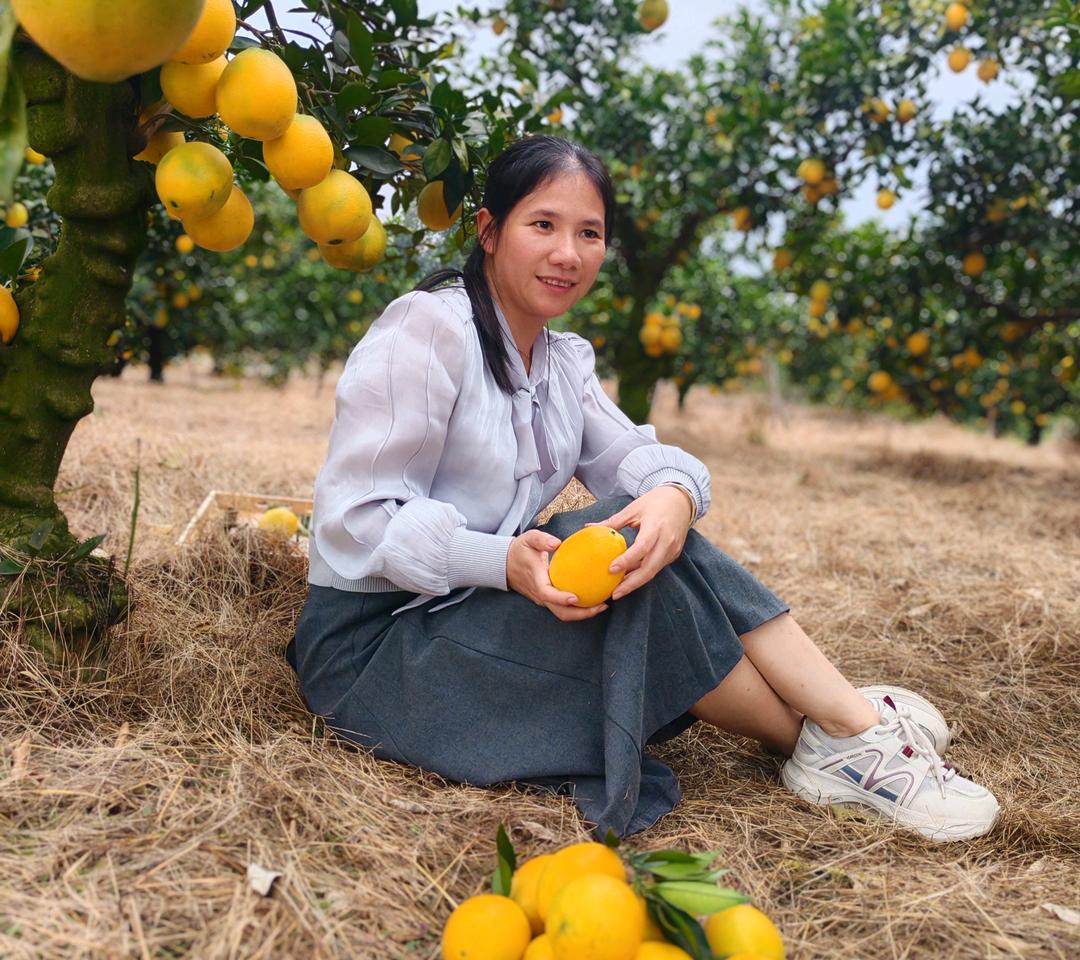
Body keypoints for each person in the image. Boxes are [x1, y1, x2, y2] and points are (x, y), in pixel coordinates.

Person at [285, 134, 1000, 843]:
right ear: (489, 231)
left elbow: (637, 455)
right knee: (625, 563)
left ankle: (844, 732)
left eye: (589, 233)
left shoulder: (561, 364)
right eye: (544, 225)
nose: (568, 253)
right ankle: (842, 732)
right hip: (377, 652)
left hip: (468, 617)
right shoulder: (429, 331)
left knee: (646, 540)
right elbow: (359, 519)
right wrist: (497, 561)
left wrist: (674, 498)